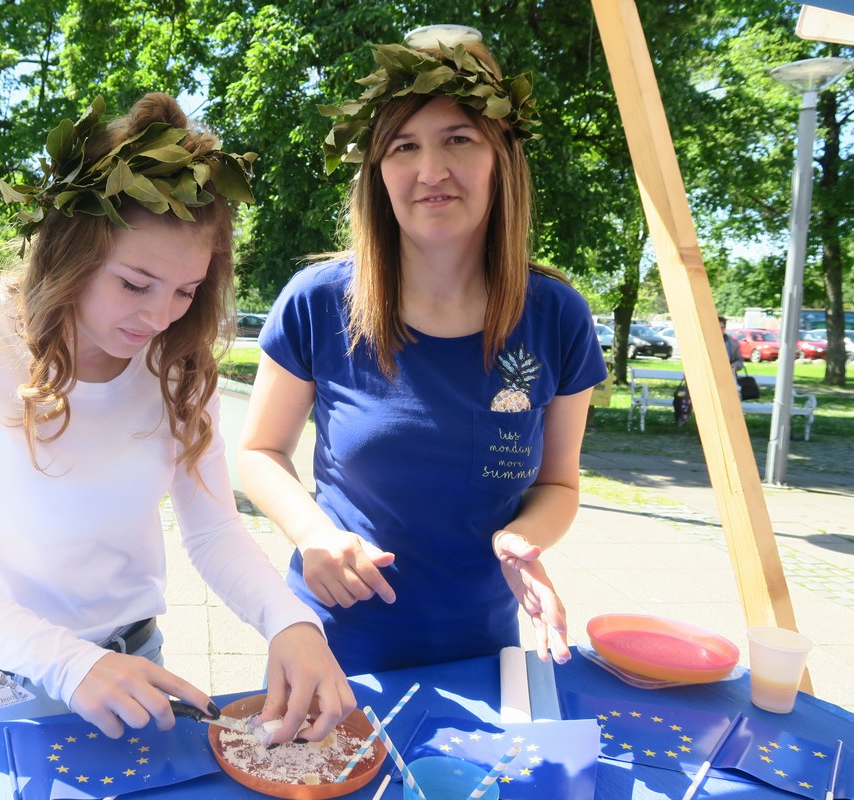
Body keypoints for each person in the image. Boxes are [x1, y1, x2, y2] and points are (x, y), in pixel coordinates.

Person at [0, 93, 353, 744]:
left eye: (186, 291)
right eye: (134, 283)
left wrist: (291, 622)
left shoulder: (179, 365)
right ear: (72, 251)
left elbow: (211, 531)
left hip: (130, 669)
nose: (158, 318)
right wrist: (67, 663)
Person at [238, 28, 608, 677]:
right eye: (404, 146)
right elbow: (258, 452)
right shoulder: (317, 301)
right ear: (377, 170)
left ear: (502, 154)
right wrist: (313, 534)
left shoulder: (558, 317)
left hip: (484, 657)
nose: (430, 171)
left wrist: (523, 543)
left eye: (457, 140)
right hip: (330, 652)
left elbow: (558, 483)